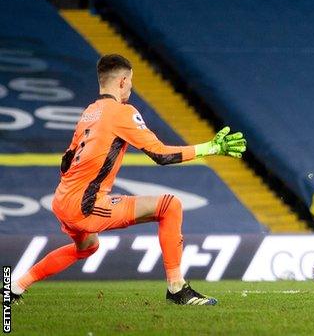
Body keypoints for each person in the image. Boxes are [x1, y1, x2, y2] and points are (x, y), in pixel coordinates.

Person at [10, 54, 246, 306]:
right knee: (170, 205)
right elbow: (161, 155)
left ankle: (14, 286)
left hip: (62, 199)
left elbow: (66, 160)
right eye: (131, 81)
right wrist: (209, 148)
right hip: (85, 205)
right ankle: (177, 288)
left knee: (87, 247)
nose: (131, 87)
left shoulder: (90, 112)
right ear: (122, 81)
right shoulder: (122, 113)